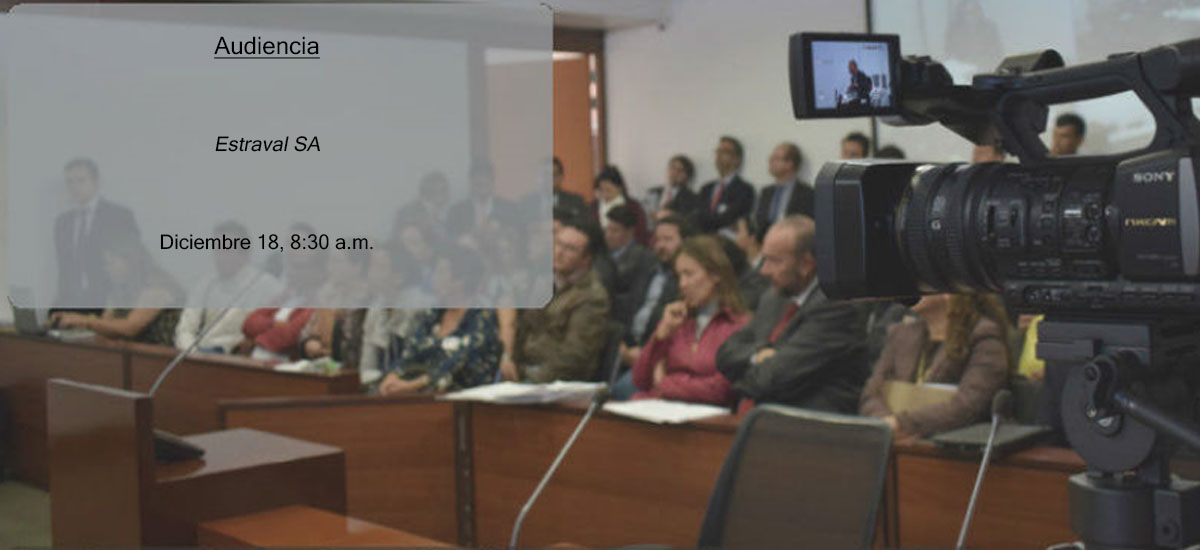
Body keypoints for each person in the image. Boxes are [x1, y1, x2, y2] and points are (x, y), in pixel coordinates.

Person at [716, 215, 868, 413]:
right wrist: (759, 354)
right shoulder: (774, 297)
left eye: (774, 261)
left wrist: (740, 374)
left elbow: (771, 379)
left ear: (806, 264)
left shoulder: (838, 305)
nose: (763, 270)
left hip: (811, 422)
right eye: (764, 259)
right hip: (767, 415)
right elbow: (725, 354)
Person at [859, 293, 1011, 439]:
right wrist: (885, 423)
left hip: (954, 445)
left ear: (949, 291)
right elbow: (871, 394)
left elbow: (970, 405)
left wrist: (901, 424)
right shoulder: (901, 333)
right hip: (893, 441)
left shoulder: (983, 335)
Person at [631, 236, 750, 406]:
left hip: (709, 416)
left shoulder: (738, 324)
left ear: (715, 274)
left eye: (689, 274)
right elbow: (640, 380)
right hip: (662, 409)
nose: (682, 284)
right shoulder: (677, 320)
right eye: (679, 276)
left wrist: (664, 383)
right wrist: (660, 336)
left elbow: (722, 390)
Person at [378, 246, 501, 395]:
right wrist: (393, 375)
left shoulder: (482, 317)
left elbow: (457, 364)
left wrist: (412, 385)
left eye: (441, 273)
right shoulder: (433, 315)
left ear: (460, 281)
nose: (434, 279)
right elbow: (411, 351)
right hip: (420, 395)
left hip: (465, 398)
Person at [501, 217, 610, 382]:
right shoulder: (544, 281)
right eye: (558, 244)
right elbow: (523, 330)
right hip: (524, 370)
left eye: (570, 249)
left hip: (556, 381)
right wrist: (509, 361)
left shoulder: (592, 297)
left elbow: (574, 358)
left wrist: (528, 380)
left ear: (587, 258)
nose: (558, 252)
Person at [174, 221, 284, 353]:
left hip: (238, 358)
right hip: (199, 355)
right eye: (217, 250)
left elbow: (276, 330)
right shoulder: (206, 284)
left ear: (245, 253)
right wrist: (193, 354)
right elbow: (185, 329)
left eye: (226, 250)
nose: (220, 256)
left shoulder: (268, 286)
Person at [51, 238, 183, 345]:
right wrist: (72, 322)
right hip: (128, 355)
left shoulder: (157, 287)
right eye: (105, 264)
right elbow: (107, 324)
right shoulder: (120, 289)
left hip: (159, 358)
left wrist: (83, 321)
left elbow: (130, 328)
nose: (107, 269)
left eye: (112, 262)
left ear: (131, 260)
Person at [53, 157, 141, 311]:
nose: (75, 187)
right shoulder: (63, 223)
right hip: (71, 303)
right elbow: (64, 268)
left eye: (81, 180)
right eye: (69, 182)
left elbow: (132, 261)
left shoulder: (119, 216)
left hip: (109, 301)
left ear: (96, 182)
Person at [605, 205, 658, 327]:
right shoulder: (601, 254)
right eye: (607, 230)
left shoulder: (643, 258)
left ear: (629, 232)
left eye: (614, 231)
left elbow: (635, 298)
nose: (608, 235)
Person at [696, 136, 755, 235]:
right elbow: (697, 215)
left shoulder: (745, 189)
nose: (718, 155)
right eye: (718, 151)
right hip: (701, 236)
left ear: (736, 159)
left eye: (724, 152)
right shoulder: (706, 188)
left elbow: (730, 218)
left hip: (725, 238)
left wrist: (707, 220)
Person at [446, 160, 519, 239]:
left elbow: (515, 236)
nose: (482, 180)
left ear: (493, 181)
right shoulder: (457, 212)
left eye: (486, 177)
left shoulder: (509, 209)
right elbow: (451, 239)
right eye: (478, 177)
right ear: (471, 181)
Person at [755, 142, 813, 231]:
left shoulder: (806, 193)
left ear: (789, 164)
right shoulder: (766, 192)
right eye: (771, 158)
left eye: (776, 158)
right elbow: (759, 221)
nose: (770, 161)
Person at [591, 165, 650, 246]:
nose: (604, 195)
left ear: (619, 188)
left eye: (608, 190)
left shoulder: (633, 207)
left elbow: (640, 235)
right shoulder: (593, 208)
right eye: (601, 190)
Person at [644, 155, 702, 220]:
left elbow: (690, 218)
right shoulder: (653, 191)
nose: (674, 173)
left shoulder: (692, 198)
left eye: (680, 170)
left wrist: (673, 215)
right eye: (672, 168)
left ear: (687, 176)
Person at [733, 216, 768, 311]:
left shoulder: (766, 270)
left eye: (739, 232)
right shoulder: (741, 266)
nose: (735, 238)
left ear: (752, 238)